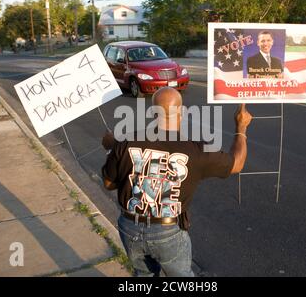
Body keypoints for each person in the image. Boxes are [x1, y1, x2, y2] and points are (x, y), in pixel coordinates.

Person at [101, 87, 252, 277]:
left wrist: (111, 149)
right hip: (167, 231)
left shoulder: (125, 143)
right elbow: (236, 164)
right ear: (181, 113)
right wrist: (241, 127)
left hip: (129, 226)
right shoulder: (196, 150)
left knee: (143, 275)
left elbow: (109, 184)